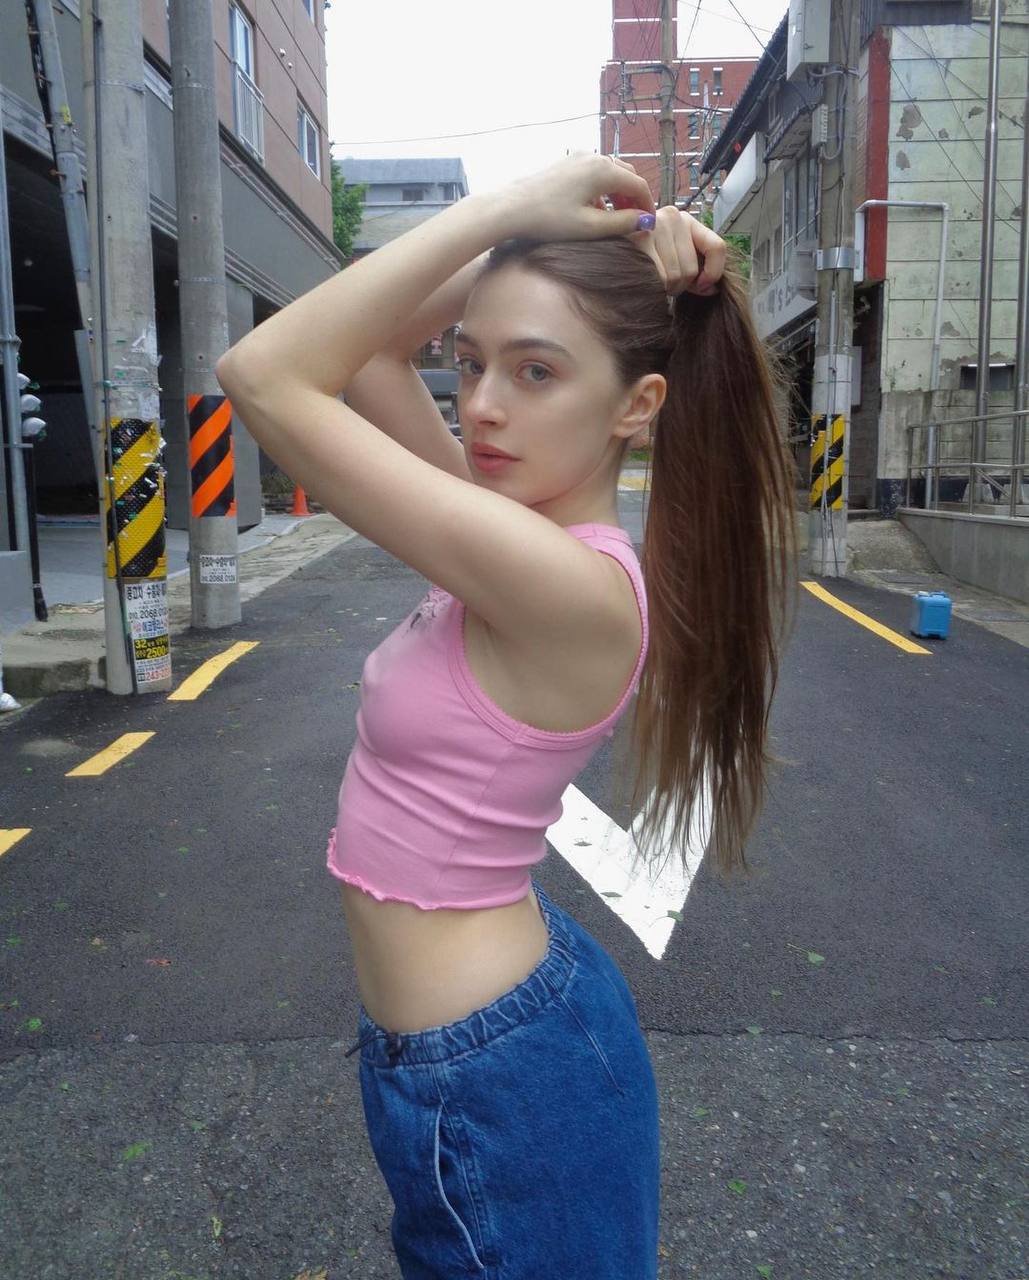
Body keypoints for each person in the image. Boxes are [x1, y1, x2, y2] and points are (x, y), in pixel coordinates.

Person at [216, 154, 797, 1279]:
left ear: (637, 405)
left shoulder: (566, 584)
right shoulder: (510, 527)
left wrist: (512, 214)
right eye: (473, 362)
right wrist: (552, 247)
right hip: (471, 1049)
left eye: (536, 372)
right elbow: (373, 352)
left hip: (493, 1074)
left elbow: (268, 373)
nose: (481, 403)